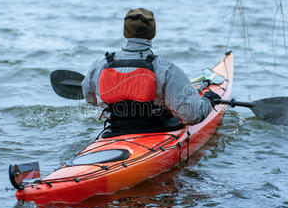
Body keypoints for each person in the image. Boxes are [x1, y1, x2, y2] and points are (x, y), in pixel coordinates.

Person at [82, 8, 220, 137]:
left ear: (125, 33)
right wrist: (208, 101)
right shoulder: (167, 69)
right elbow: (192, 116)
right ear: (152, 35)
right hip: (157, 130)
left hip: (114, 130)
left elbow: (90, 99)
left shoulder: (100, 64)